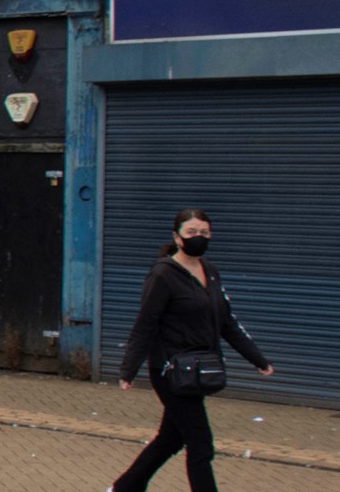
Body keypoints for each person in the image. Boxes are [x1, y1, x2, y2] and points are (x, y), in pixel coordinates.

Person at [112, 209, 275, 492]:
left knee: (171, 438)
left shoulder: (209, 271)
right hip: (170, 371)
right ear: (176, 237)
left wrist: (257, 359)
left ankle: (125, 487)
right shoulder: (163, 275)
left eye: (204, 233)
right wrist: (129, 368)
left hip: (198, 369)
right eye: (192, 233)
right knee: (201, 445)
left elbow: (226, 321)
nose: (198, 238)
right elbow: (145, 324)